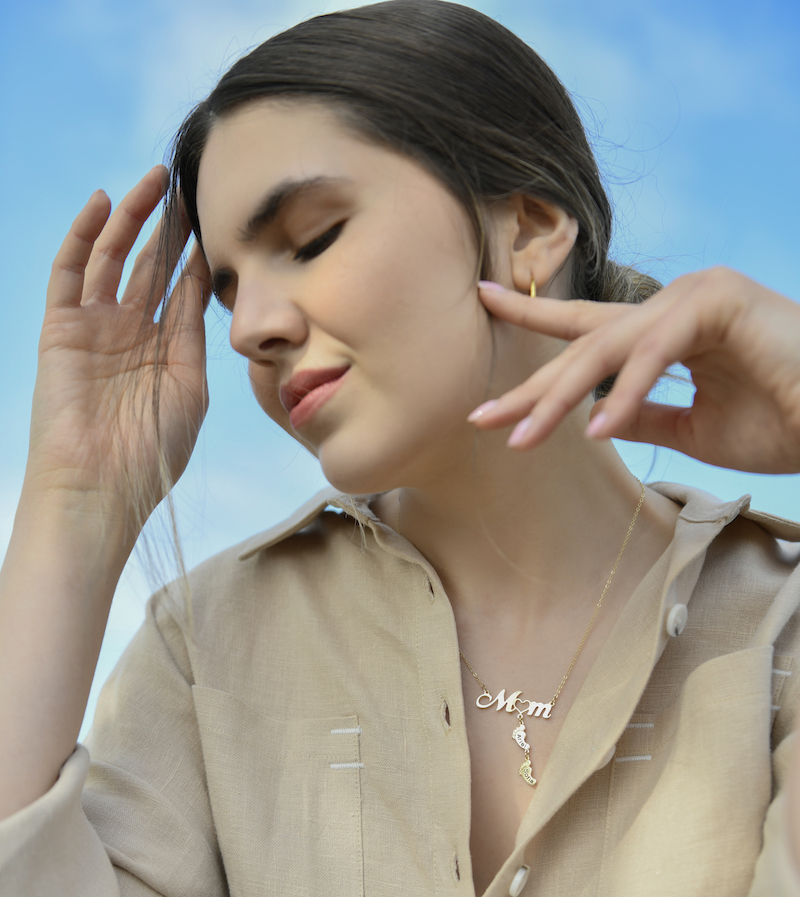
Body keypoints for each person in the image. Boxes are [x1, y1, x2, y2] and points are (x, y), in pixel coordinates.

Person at [1, 1, 799, 894]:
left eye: (310, 239)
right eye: (229, 292)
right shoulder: (207, 649)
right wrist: (75, 503)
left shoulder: (782, 625)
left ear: (530, 226)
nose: (250, 329)